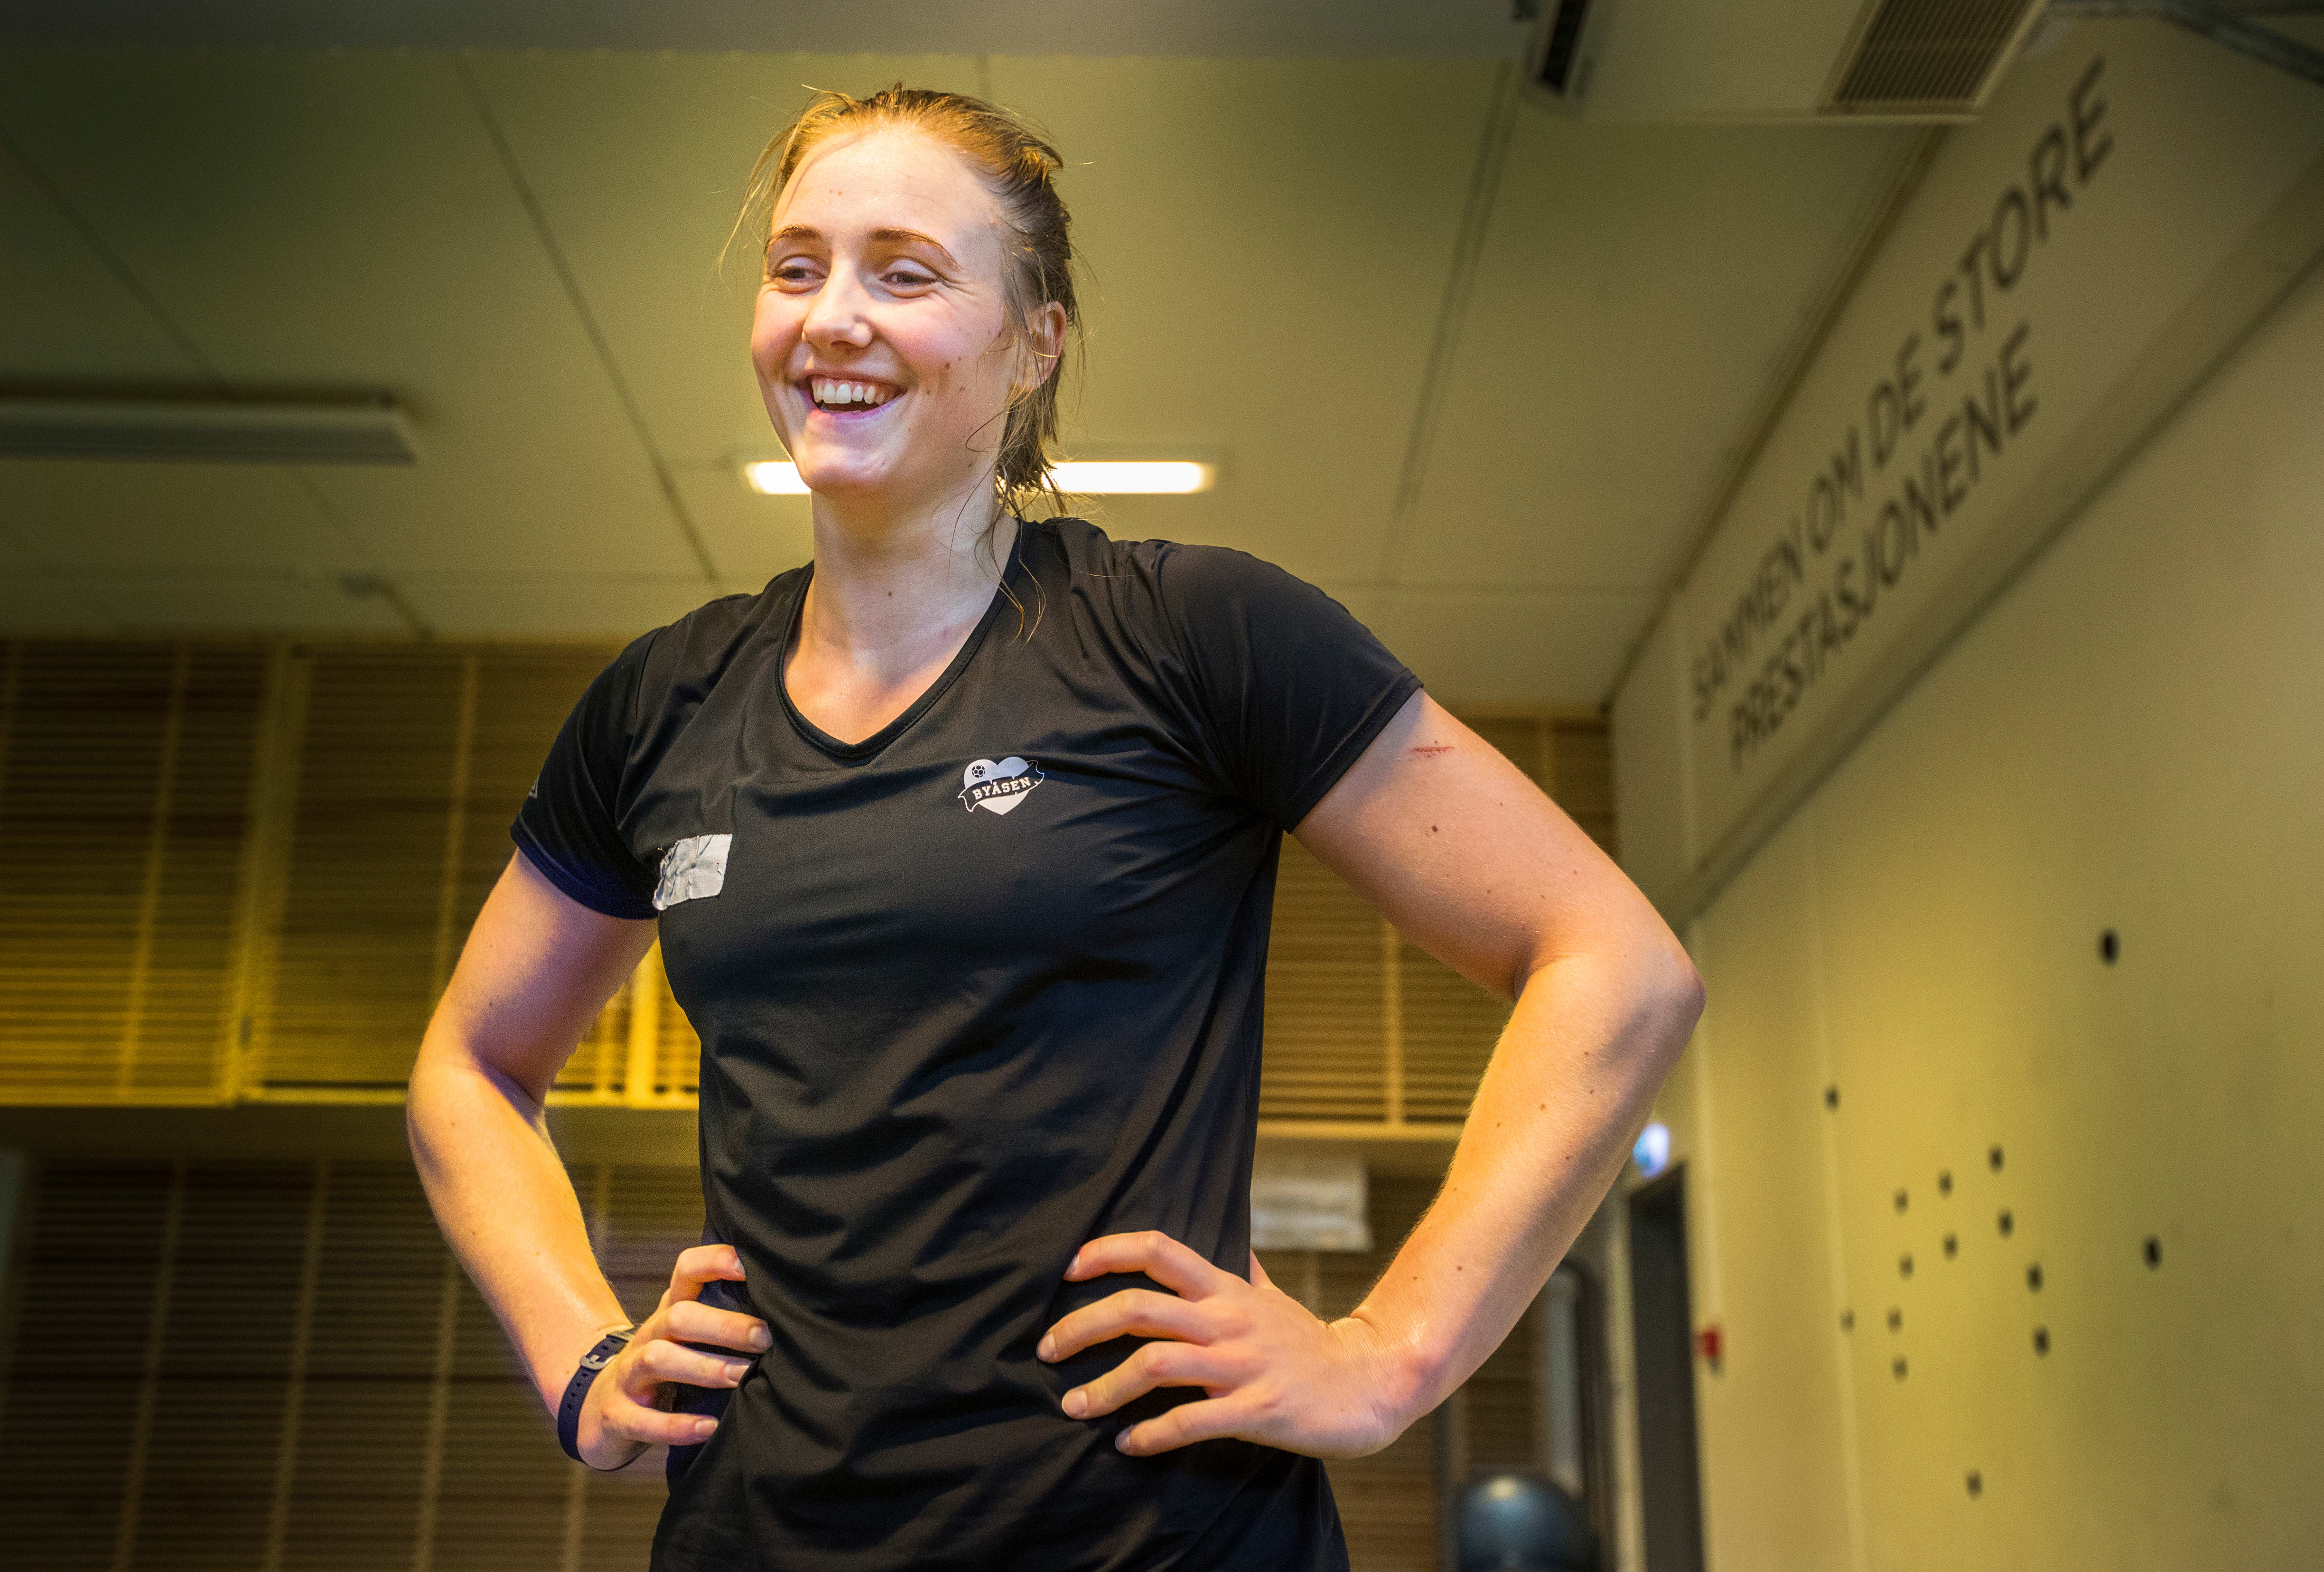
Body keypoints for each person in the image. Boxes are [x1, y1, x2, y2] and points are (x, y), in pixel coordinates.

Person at [407, 85, 1702, 1572]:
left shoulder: (1186, 634)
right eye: (795, 267)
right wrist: (579, 1356)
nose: (832, 317)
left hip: (1154, 1535)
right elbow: (469, 1066)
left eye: (905, 273)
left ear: (1038, 341)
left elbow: (1614, 963)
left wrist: (1389, 1353)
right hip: (760, 1531)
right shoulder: (662, 705)